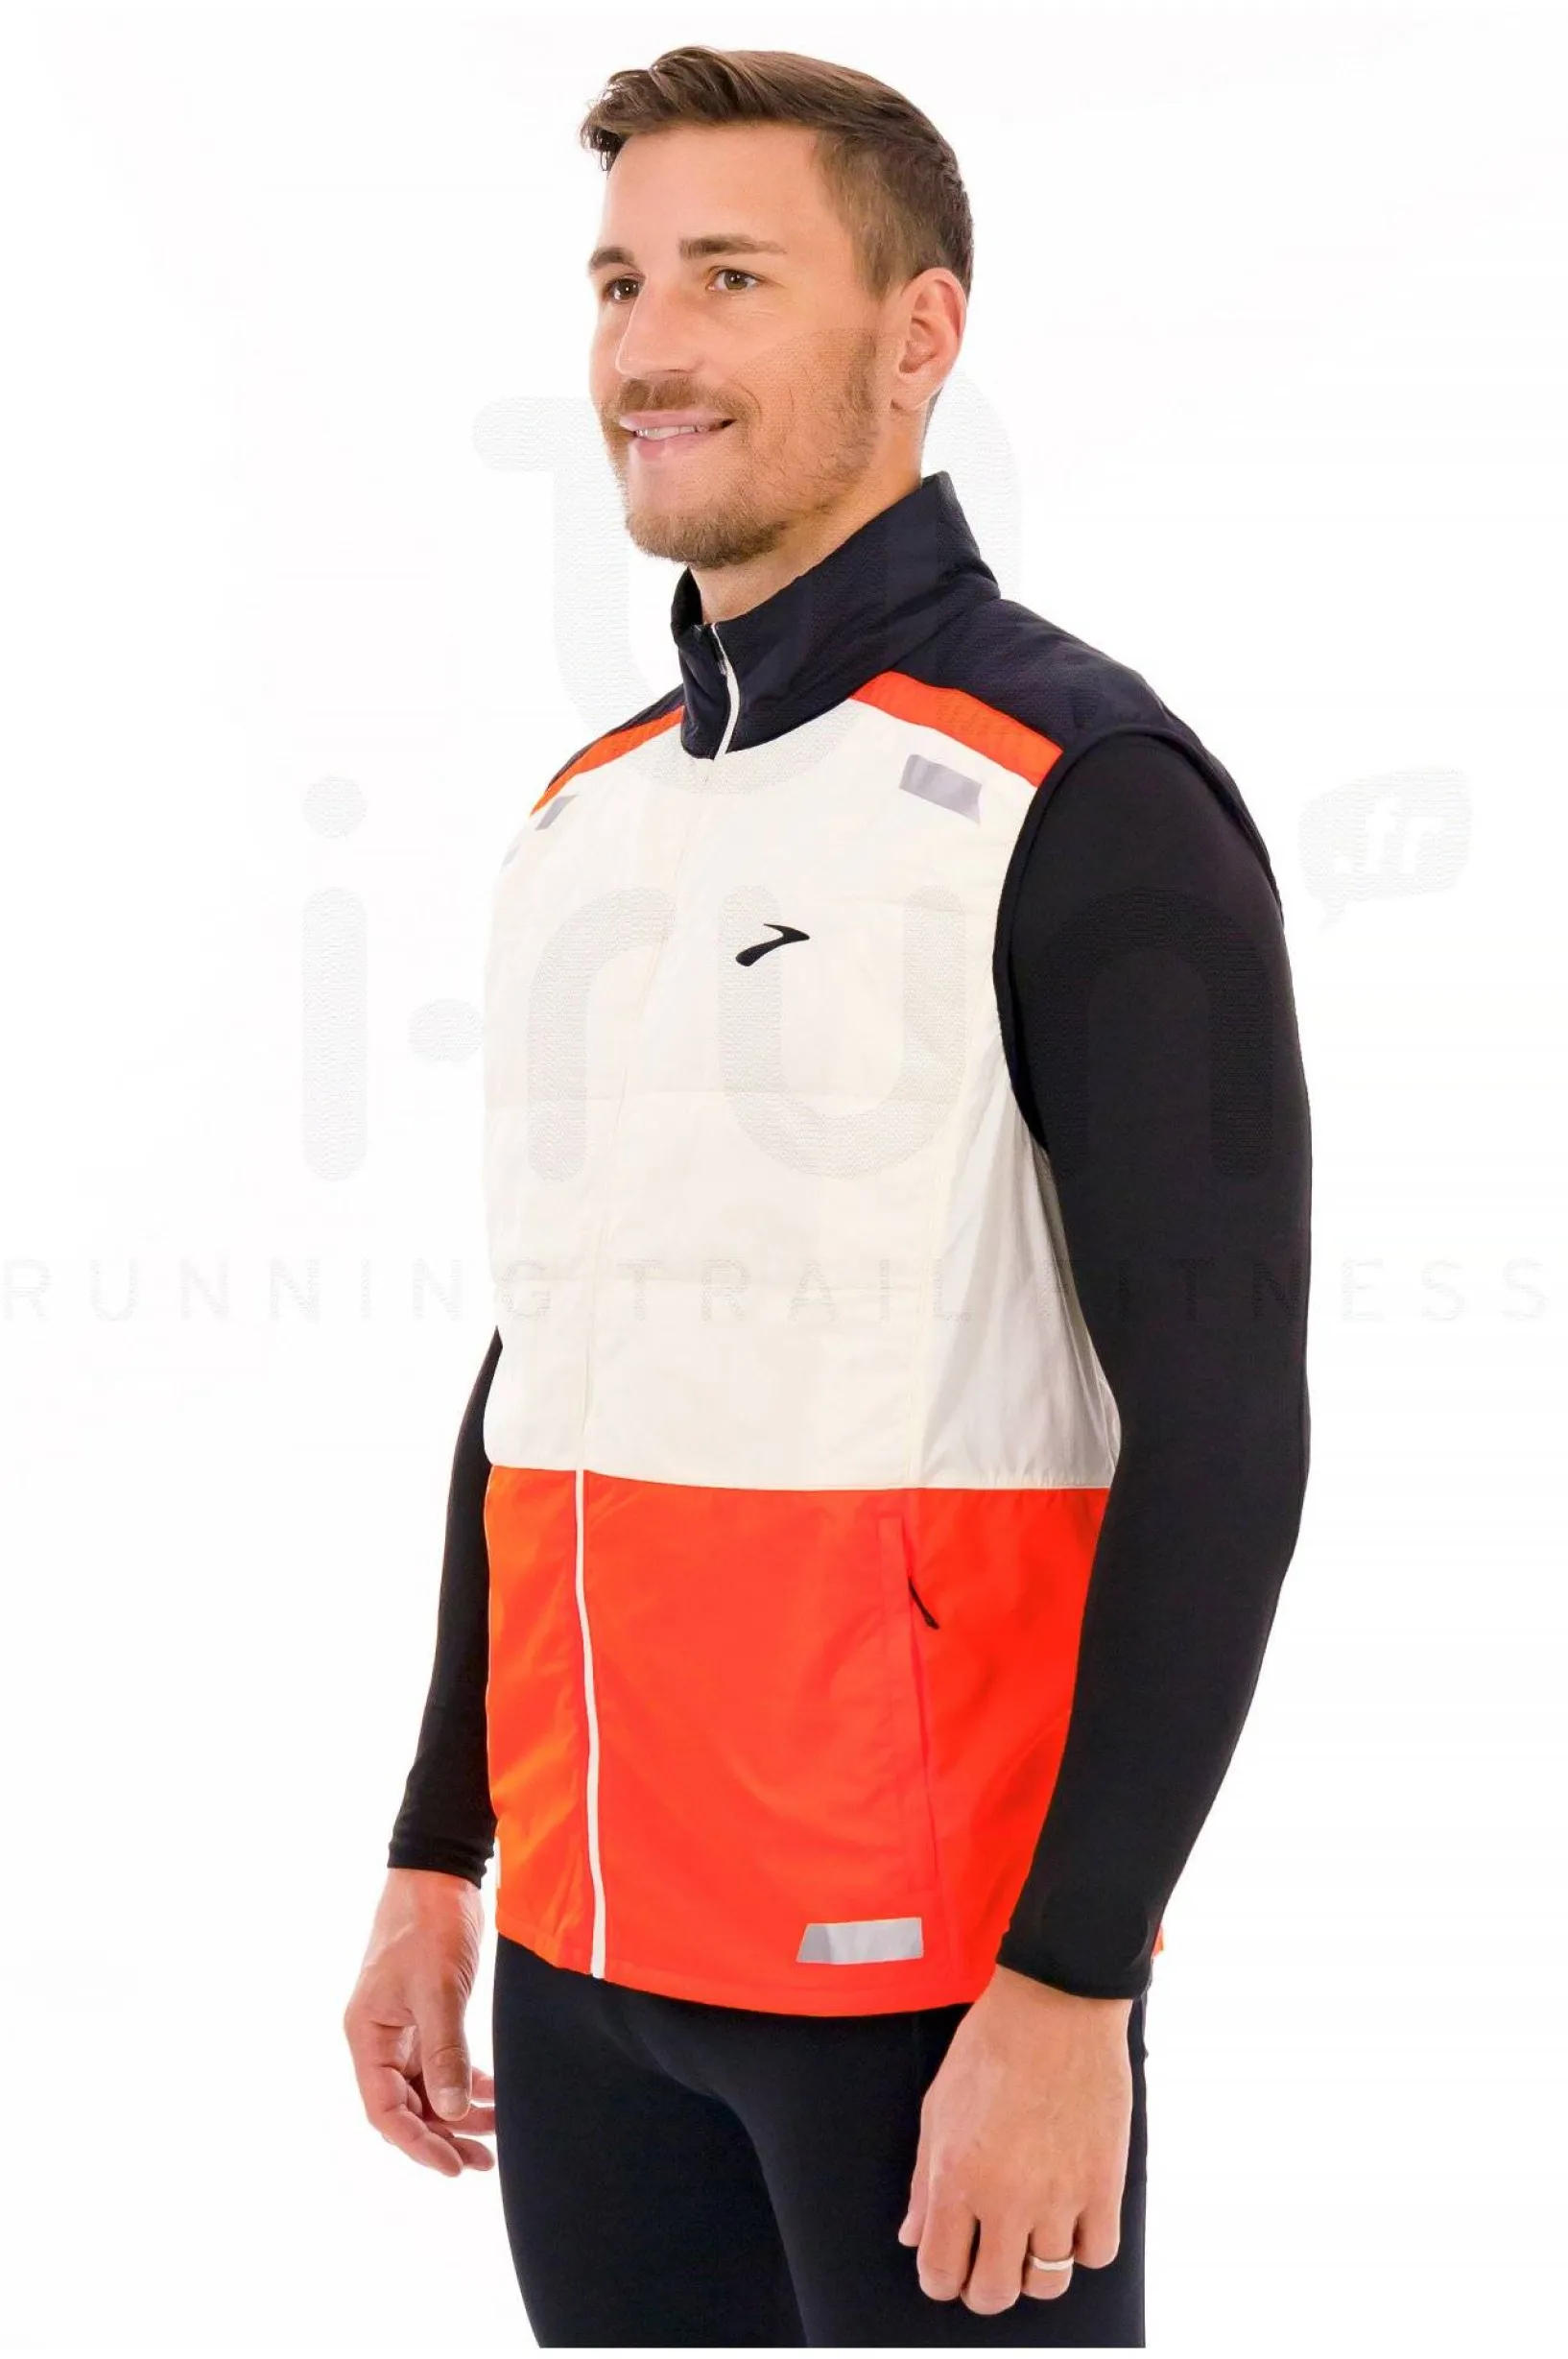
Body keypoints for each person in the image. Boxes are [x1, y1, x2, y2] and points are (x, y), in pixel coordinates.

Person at [343, 43, 1312, 2347]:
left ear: (916, 333)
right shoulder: (590, 812)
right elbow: (552, 1355)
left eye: (732, 276)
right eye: (618, 282)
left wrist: (1071, 1984)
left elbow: (1223, 1427)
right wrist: (438, 1841)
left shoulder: (1081, 788)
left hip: (926, 1978)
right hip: (585, 1963)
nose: (647, 346)